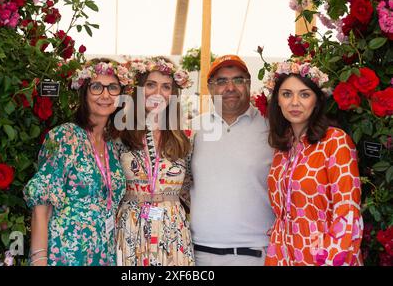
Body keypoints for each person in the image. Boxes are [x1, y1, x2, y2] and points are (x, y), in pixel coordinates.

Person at [23, 59, 128, 266]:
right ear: (84, 93)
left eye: (113, 88)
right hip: (64, 253)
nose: (105, 95)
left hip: (103, 254)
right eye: (96, 87)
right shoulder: (65, 137)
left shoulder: (112, 146)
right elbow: (41, 206)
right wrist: (39, 261)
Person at [260, 61, 363, 266]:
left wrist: (329, 260)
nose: (295, 102)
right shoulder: (282, 150)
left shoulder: (335, 142)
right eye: (287, 94)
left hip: (324, 256)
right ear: (277, 101)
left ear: (317, 101)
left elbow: (347, 214)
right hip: (282, 254)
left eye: (304, 94)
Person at [189, 55, 275, 266]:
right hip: (199, 254)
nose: (230, 87)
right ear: (210, 88)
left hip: (255, 254)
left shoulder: (273, 130)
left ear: (249, 84)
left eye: (238, 80)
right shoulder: (191, 129)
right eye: (221, 81)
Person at [115, 56, 195, 266]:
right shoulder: (120, 135)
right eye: (151, 85)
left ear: (173, 94)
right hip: (131, 227)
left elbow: (190, 188)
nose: (158, 93)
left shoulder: (185, 139)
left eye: (166, 87)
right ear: (139, 90)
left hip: (172, 229)